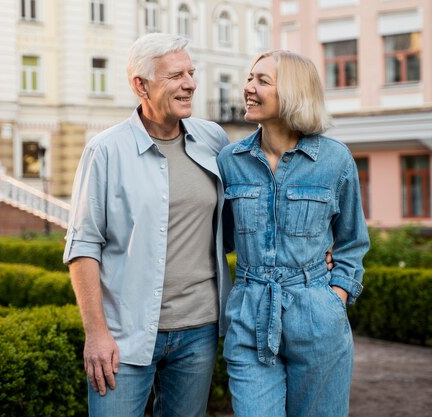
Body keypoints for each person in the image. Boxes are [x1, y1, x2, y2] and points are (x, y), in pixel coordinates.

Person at [62, 33, 233, 417]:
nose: (190, 83)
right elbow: (83, 245)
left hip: (199, 330)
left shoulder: (214, 140)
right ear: (140, 85)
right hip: (124, 335)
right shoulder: (105, 150)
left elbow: (246, 215)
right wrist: (96, 334)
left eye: (191, 73)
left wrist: (308, 244)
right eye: (175, 75)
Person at [216, 50, 370, 417]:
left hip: (317, 317)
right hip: (249, 315)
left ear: (294, 93)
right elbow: (219, 240)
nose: (248, 88)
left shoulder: (335, 160)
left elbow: (352, 241)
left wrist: (336, 294)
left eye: (261, 81)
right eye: (249, 79)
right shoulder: (229, 161)